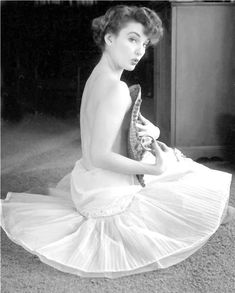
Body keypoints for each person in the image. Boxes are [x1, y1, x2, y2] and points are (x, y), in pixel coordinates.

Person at [1, 5, 234, 279]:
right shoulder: (116, 88)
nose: (140, 51)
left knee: (173, 162)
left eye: (145, 43)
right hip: (106, 194)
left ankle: (211, 207)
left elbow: (110, 132)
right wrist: (153, 170)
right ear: (110, 38)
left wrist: (154, 132)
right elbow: (98, 156)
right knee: (182, 176)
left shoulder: (98, 78)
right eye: (132, 39)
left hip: (88, 185)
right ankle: (214, 212)